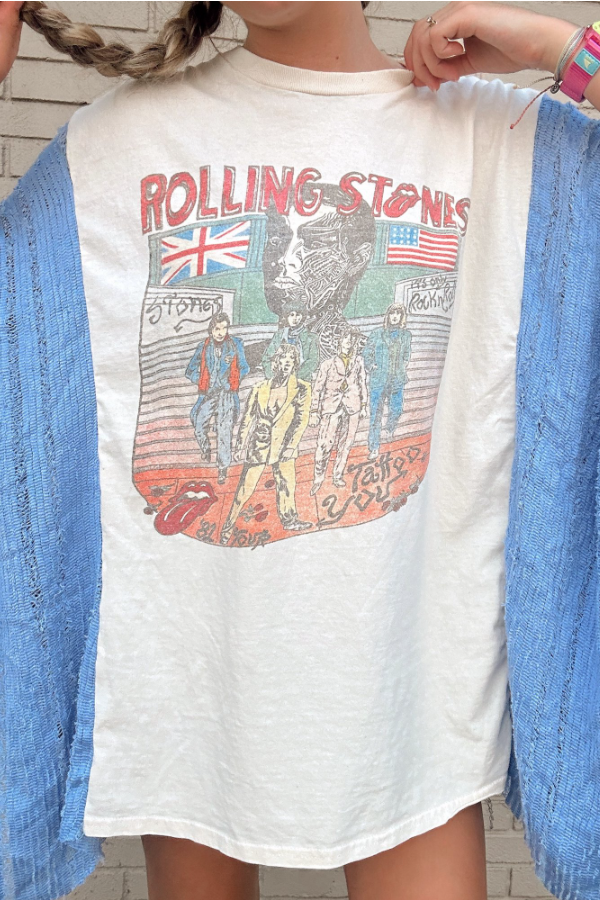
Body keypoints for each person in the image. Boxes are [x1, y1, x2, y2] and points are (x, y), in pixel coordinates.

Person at [1, 4, 600, 900]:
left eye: (311, 242)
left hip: (414, 711)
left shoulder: (499, 141)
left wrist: (557, 47)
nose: (283, 262)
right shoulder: (113, 148)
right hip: (191, 703)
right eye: (275, 243)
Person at [221, 341, 313, 544]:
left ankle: (290, 520)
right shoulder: (259, 388)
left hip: (284, 446)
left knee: (287, 485)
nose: (286, 363)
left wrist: (291, 446)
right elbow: (248, 418)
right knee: (245, 488)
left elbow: (301, 419)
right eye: (282, 359)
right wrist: (240, 445)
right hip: (259, 444)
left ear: (295, 364)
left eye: (290, 360)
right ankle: (228, 525)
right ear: (275, 362)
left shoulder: (302, 388)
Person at [185, 311, 250, 484]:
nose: (221, 332)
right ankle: (205, 448)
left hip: (227, 393)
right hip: (208, 393)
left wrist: (232, 382)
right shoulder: (203, 346)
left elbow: (244, 367)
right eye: (217, 329)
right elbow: (190, 370)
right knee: (199, 423)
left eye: (224, 328)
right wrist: (201, 381)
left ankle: (223, 467)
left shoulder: (235, 344)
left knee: (224, 429)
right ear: (211, 330)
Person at [309, 325, 368, 493]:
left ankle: (337, 475)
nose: (348, 341)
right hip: (331, 408)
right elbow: (317, 389)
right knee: (324, 444)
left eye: (352, 338)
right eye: (345, 338)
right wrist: (314, 411)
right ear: (339, 341)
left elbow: (362, 383)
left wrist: (364, 405)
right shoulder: (328, 364)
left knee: (346, 444)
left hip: (352, 407)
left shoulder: (358, 361)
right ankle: (318, 478)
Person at [362, 303, 412, 461]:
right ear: (388, 315)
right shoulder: (377, 333)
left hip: (396, 379)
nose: (395, 316)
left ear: (402, 316)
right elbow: (367, 352)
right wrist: (371, 366)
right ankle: (374, 447)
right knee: (375, 415)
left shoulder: (406, 335)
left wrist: (403, 365)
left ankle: (390, 427)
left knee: (397, 409)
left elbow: (406, 353)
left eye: (398, 313)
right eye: (392, 313)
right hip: (379, 380)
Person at [261, 298, 319, 383]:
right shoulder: (279, 335)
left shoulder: (311, 338)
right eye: (291, 315)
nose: (294, 318)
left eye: (298, 315)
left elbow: (313, 362)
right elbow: (266, 358)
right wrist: (273, 376)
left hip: (300, 381)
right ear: (287, 316)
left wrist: (294, 378)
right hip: (277, 380)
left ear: (303, 317)